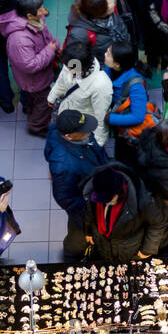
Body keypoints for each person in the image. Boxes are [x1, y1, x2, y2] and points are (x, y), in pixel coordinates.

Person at [45, 110, 109, 261]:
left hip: (95, 181)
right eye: (84, 130)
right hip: (84, 206)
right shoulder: (63, 165)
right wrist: (88, 217)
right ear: (68, 136)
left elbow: (97, 152)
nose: (89, 131)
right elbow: (66, 198)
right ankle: (71, 258)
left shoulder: (72, 133)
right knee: (78, 236)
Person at [81, 164, 168, 263]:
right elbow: (89, 214)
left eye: (108, 199)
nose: (105, 203)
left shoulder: (143, 200)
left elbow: (157, 223)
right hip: (104, 247)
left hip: (130, 249)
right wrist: (88, 231)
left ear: (119, 192)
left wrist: (148, 249)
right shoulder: (94, 194)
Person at [0, 0, 61, 137]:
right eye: (41, 10)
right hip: (34, 79)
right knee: (44, 101)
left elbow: (48, 37)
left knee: (34, 98)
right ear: (29, 16)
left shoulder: (37, 20)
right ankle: (37, 127)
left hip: (39, 76)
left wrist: (55, 46)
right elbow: (29, 65)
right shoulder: (19, 40)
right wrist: (50, 50)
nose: (45, 12)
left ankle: (30, 110)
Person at [48, 44, 114, 146]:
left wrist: (98, 143)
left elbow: (100, 117)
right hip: (66, 113)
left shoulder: (101, 85)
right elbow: (61, 82)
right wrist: (52, 97)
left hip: (82, 125)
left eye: (69, 67)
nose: (66, 68)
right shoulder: (71, 63)